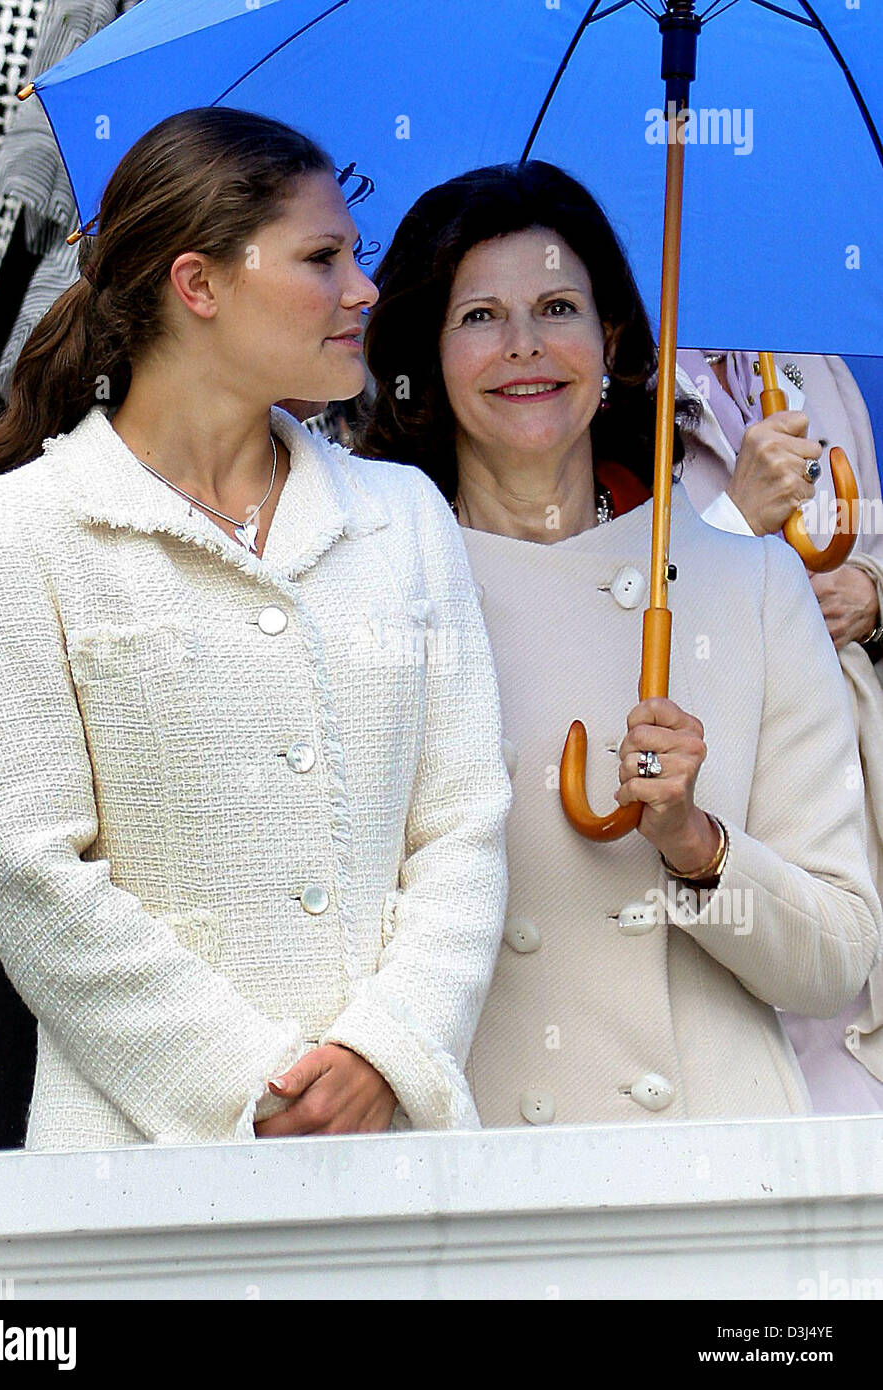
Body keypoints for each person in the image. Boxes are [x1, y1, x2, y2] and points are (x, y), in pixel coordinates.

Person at [0, 108, 511, 1151]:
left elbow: (463, 822)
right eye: (321, 257)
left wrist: (385, 1052)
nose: (363, 289)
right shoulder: (12, 531)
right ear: (198, 285)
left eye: (357, 255)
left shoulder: (406, 517)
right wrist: (250, 1085)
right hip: (134, 1176)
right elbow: (31, 869)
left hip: (392, 1158)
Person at [357, 159, 882, 1127]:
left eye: (557, 307)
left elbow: (833, 960)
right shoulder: (370, 584)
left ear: (610, 341)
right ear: (424, 354)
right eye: (478, 317)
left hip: (709, 1176)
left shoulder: (747, 579)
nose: (524, 348)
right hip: (466, 1171)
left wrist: (696, 844)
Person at [677, 349, 883, 1111]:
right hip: (711, 799)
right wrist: (732, 519)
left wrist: (871, 591)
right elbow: (609, 602)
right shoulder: (611, 366)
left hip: (848, 800)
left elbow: (873, 538)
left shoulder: (814, 365)